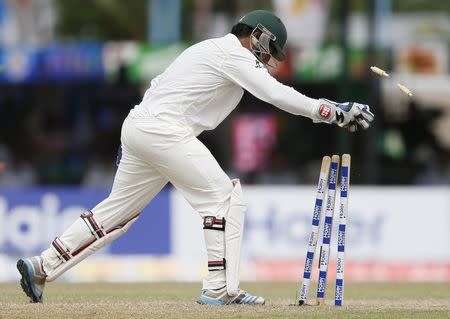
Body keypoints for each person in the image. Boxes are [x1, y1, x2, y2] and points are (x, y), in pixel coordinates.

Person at [17, 10, 374, 305]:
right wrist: (331, 110)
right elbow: (276, 95)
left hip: (142, 126)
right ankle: (220, 289)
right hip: (164, 130)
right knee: (224, 197)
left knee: (117, 213)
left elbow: (161, 85)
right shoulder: (233, 53)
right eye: (270, 50)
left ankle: (42, 265)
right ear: (258, 35)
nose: (268, 60)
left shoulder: (212, 51)